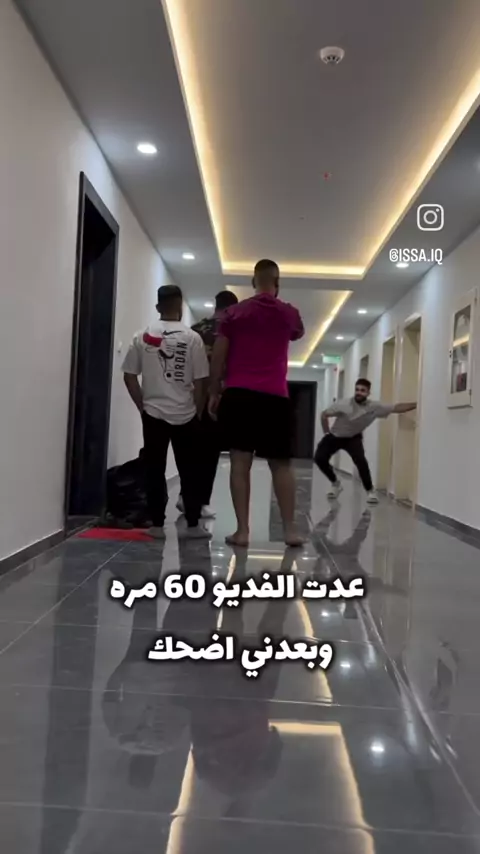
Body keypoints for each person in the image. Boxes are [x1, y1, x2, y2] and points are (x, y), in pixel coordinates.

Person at [208, 259, 305, 547]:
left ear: (253, 282)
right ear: (277, 282)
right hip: (275, 396)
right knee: (282, 465)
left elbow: (219, 354)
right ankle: (289, 531)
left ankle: (242, 531)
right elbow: (297, 333)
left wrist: (214, 391)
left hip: (239, 395)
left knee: (240, 463)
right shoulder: (289, 313)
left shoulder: (234, 313)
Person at [122, 284, 211, 539]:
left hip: (153, 413)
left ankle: (157, 525)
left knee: (154, 469)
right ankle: (192, 525)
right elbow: (201, 380)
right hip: (186, 413)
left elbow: (129, 376)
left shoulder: (142, 336)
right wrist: (197, 411)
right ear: (180, 306)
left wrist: (142, 406)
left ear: (158, 306)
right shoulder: (193, 338)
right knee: (190, 470)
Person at [176, 289, 239, 519]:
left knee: (191, 450)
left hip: (190, 395)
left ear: (215, 305)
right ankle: (200, 501)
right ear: (232, 308)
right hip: (217, 396)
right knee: (209, 451)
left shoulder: (194, 330)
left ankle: (184, 496)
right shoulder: (231, 330)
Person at [315, 378, 417, 504]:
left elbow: (396, 408)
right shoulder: (343, 404)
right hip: (335, 436)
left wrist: (417, 404)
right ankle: (336, 484)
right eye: (357, 390)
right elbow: (324, 414)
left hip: (353, 438)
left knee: (361, 462)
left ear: (368, 393)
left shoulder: (375, 407)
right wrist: (326, 432)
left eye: (363, 390)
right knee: (319, 459)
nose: (359, 392)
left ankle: (370, 491)